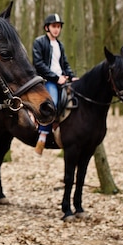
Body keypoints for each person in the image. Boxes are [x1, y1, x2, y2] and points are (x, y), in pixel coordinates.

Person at [32, 13, 77, 156]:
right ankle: (43, 136)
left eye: (58, 27)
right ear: (47, 27)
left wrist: (72, 76)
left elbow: (65, 64)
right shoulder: (39, 42)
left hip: (61, 79)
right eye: (54, 26)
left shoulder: (60, 45)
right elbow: (39, 64)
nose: (57, 29)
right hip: (47, 80)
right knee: (53, 103)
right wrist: (56, 78)